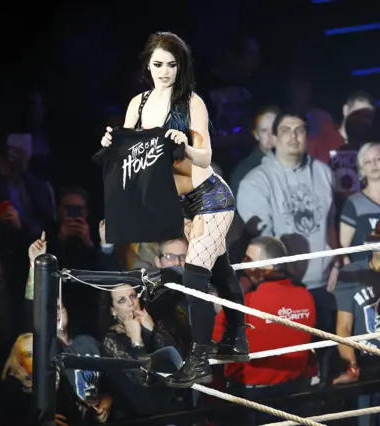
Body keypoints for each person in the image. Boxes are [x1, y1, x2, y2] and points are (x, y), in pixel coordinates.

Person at [100, 31, 248, 388]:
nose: (165, 71)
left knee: (196, 272)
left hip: (210, 196)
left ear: (181, 67)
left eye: (171, 64)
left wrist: (184, 141)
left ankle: (199, 359)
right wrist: (109, 143)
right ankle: (237, 338)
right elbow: (131, 154)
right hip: (179, 206)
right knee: (221, 269)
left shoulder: (191, 102)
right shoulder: (137, 105)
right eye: (158, 64)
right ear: (147, 66)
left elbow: (207, 156)